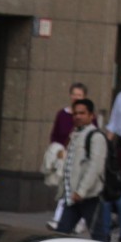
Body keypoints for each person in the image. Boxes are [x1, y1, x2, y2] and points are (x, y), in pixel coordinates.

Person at [55, 98, 108, 242]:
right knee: (60, 234)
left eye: (82, 113)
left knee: (99, 238)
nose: (78, 116)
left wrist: (82, 191)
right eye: (75, 113)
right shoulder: (75, 135)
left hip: (90, 196)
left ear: (91, 116)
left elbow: (95, 166)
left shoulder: (95, 136)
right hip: (72, 197)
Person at [45, 83, 95, 231]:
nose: (75, 97)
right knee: (65, 186)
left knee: (73, 188)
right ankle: (60, 218)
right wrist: (58, 150)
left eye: (79, 95)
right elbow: (55, 135)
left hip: (80, 160)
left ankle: (69, 219)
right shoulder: (63, 114)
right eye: (74, 94)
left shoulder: (90, 120)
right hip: (64, 156)